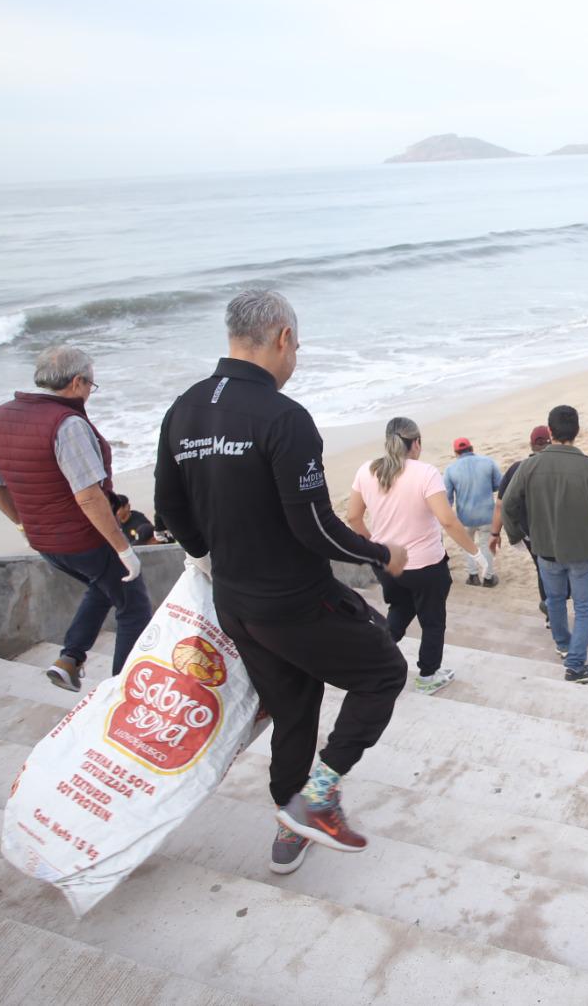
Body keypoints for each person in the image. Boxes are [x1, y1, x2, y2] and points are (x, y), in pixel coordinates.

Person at [154, 289, 410, 873]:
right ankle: (315, 801)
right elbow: (314, 525)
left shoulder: (184, 409)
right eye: (297, 345)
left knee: (294, 707)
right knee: (383, 673)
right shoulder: (284, 418)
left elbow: (169, 506)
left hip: (236, 602)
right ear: (283, 338)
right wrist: (379, 554)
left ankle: (288, 825)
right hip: (294, 602)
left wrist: (209, 557)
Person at [0, 346, 151, 692]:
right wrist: (123, 549)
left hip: (45, 543)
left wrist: (22, 523)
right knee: (133, 607)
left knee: (103, 586)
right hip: (84, 540)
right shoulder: (67, 424)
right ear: (76, 382)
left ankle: (69, 660)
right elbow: (88, 495)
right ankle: (122, 694)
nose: (89, 393)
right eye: (91, 386)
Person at [346, 418, 486, 695]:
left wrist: (375, 546)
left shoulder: (366, 470)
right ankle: (428, 675)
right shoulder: (426, 473)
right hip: (426, 566)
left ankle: (373, 664)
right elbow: (447, 521)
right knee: (432, 621)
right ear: (416, 443)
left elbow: (353, 517)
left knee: (399, 610)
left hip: (387, 564)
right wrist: (476, 552)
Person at [500, 405, 588, 684]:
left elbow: (507, 503)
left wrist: (515, 536)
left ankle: (563, 644)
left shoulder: (529, 466)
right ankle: (574, 665)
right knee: (583, 608)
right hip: (582, 551)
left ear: (550, 431)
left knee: (555, 600)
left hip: (545, 548)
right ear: (577, 431)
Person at [489, 425, 552, 617]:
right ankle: (554, 606)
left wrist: (495, 533)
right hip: (558, 530)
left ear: (531, 445)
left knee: (542, 569)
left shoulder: (517, 468)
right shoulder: (558, 466)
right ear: (551, 442)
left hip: (530, 533)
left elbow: (500, 505)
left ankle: (550, 612)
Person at [443, 437, 501, 587]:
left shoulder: (450, 470)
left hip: (465, 517)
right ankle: (488, 578)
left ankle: (473, 576)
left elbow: (448, 498)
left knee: (468, 545)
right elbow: (498, 485)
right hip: (487, 514)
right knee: (486, 545)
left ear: (456, 452)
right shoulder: (488, 462)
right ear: (472, 448)